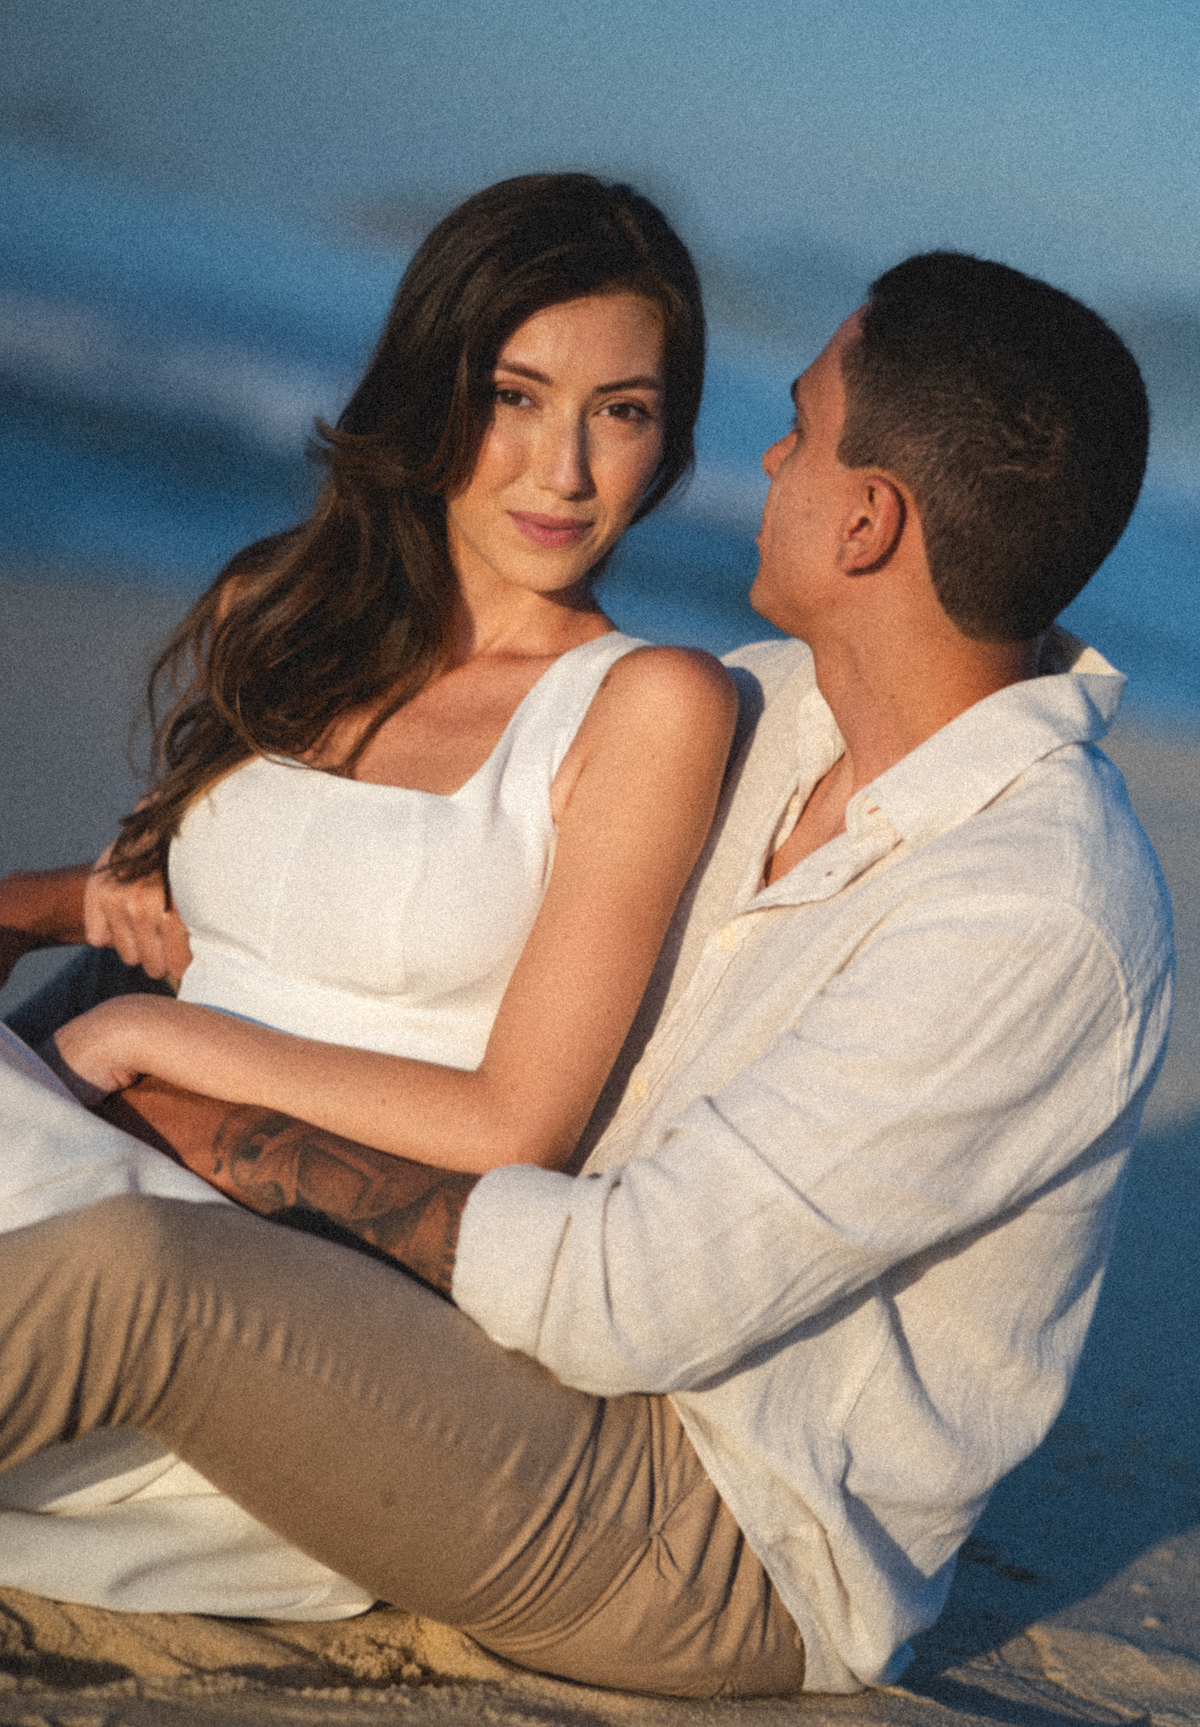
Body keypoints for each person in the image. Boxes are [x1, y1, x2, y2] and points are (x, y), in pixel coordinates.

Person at [0, 253, 1171, 1699]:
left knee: (139, 1283)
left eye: (800, 428)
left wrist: (210, 1126)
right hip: (517, 1366)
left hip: (712, 1530)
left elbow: (631, 1298)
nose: (767, 455)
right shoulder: (779, 713)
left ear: (868, 520)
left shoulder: (1033, 912)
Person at [0, 174, 735, 1617]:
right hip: (79, 1151)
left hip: (274, 1304)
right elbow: (147, 912)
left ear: (669, 442)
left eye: (623, 411)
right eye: (516, 394)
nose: (566, 470)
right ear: (432, 384)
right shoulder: (273, 614)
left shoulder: (644, 705)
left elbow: (515, 1122)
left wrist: (153, 1041)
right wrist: (77, 906)